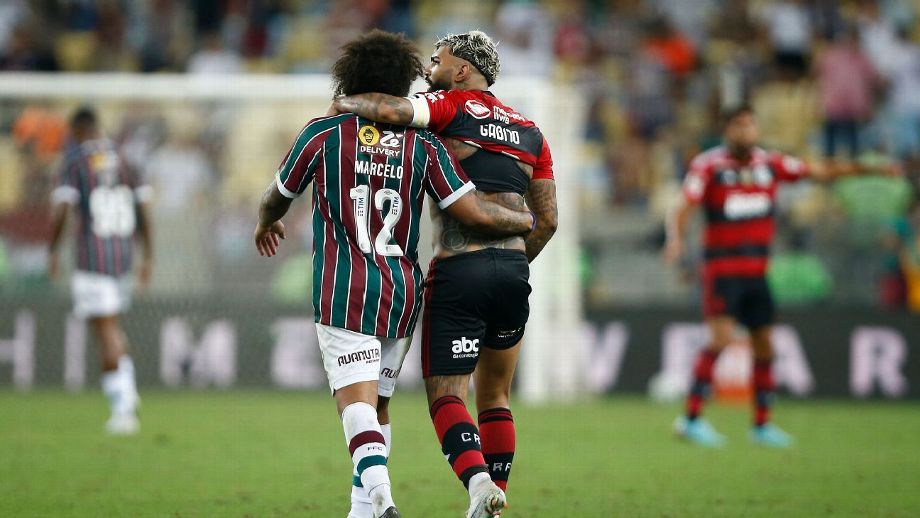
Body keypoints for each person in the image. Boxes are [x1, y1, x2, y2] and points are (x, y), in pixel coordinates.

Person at [253, 30, 535, 518]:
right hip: (402, 292)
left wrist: (266, 220)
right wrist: (522, 220)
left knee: (354, 402)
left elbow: (279, 193)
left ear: (350, 81)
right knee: (379, 404)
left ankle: (382, 497)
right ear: (402, 81)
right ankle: (362, 509)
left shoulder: (322, 132)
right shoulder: (423, 143)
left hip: (344, 287)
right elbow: (470, 209)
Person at [333, 30, 557, 517]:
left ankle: (477, 485)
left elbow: (392, 112)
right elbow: (549, 220)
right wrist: (510, 261)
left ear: (461, 71)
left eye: (438, 60)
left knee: (446, 393)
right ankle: (496, 499)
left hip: (460, 269)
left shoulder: (450, 105)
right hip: (515, 270)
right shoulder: (531, 131)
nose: (428, 66)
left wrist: (343, 101)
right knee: (496, 393)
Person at [664, 104, 898, 448]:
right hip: (723, 269)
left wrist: (866, 169)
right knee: (719, 340)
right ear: (726, 130)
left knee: (765, 347)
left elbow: (819, 171)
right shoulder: (709, 165)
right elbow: (685, 205)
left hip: (758, 271)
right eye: (738, 126)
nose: (745, 132)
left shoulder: (770, 164)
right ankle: (691, 418)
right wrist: (676, 240)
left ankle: (761, 425)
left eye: (750, 125)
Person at [48, 106, 153, 435]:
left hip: (93, 258)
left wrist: (52, 248)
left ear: (78, 130)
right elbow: (144, 208)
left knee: (104, 330)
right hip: (122, 255)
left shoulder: (76, 162)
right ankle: (129, 391)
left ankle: (122, 410)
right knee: (113, 327)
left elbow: (63, 207)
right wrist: (148, 255)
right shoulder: (125, 159)